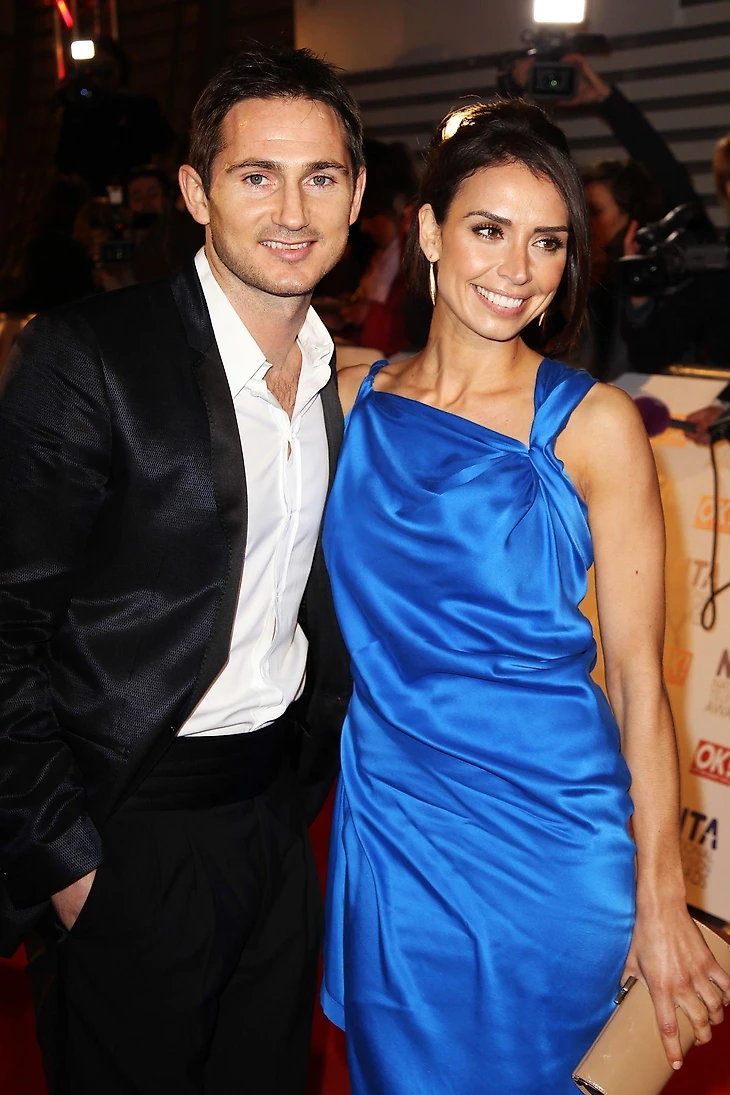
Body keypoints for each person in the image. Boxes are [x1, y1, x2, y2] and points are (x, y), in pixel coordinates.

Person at [319, 100, 730, 1094]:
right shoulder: (346, 400)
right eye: (488, 229)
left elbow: (638, 680)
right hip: (395, 840)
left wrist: (662, 898)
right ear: (427, 232)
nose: (519, 268)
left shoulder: (592, 425)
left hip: (551, 844)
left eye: (547, 240)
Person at [0, 42, 364, 1095]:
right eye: (257, 176)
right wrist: (67, 861)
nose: (291, 210)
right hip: (128, 829)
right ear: (198, 193)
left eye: (320, 177)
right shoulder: (89, 357)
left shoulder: (348, 382)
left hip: (274, 818)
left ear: (357, 196)